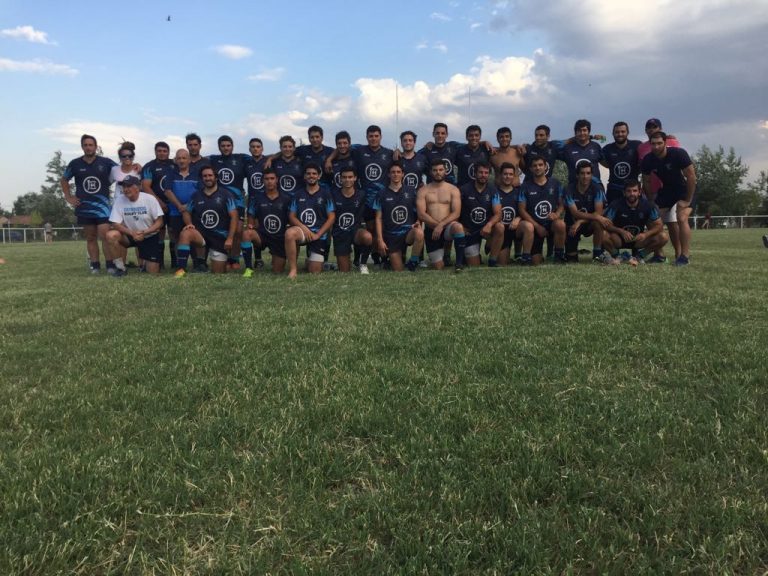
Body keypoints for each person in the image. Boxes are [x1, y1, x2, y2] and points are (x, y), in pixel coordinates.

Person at [61, 134, 118, 274]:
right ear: (82, 147)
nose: (88, 147)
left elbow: (122, 170)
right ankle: (95, 266)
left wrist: (135, 166)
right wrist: (68, 197)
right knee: (91, 237)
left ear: (96, 147)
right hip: (84, 207)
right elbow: (64, 180)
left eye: (91, 145)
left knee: (105, 236)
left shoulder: (106, 162)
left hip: (103, 207)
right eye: (85, 145)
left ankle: (110, 265)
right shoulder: (75, 164)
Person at [641, 131, 696, 265]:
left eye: (659, 143)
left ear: (665, 143)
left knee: (681, 218)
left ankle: (684, 256)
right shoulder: (648, 159)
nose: (656, 147)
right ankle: (659, 255)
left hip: (685, 189)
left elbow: (691, 177)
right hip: (667, 190)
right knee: (651, 217)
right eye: (653, 144)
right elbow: (646, 180)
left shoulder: (678, 154)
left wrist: (687, 200)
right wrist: (651, 200)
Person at [174, 165, 238, 276]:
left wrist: (230, 238)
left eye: (210, 175)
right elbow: (186, 212)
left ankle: (217, 262)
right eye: (205, 176)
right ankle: (182, 269)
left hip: (219, 237)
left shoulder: (226, 195)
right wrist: (189, 223)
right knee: (186, 233)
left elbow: (234, 217)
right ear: (201, 178)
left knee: (218, 272)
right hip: (201, 235)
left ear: (216, 177)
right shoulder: (196, 195)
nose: (208, 178)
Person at [637, 118, 681, 263]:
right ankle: (659, 254)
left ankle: (679, 254)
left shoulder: (672, 142)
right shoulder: (641, 147)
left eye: (655, 127)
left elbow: (679, 162)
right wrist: (647, 193)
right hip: (651, 191)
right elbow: (643, 171)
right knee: (653, 223)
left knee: (672, 222)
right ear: (645, 131)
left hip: (670, 190)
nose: (652, 130)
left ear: (660, 128)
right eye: (649, 127)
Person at [284, 163, 336, 278]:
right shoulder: (297, 194)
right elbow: (291, 216)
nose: (311, 176)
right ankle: (293, 269)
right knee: (289, 234)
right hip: (302, 232)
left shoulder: (326, 194)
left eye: (314, 173)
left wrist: (318, 234)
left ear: (319, 176)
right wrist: (304, 228)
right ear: (304, 176)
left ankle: (310, 260)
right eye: (308, 173)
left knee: (314, 271)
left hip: (318, 234)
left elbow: (331, 217)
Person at [105, 176, 164, 275]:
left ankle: (144, 263)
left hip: (149, 236)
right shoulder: (119, 200)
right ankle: (120, 268)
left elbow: (159, 222)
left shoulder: (150, 199)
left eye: (129, 186)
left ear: (138, 187)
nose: (126, 189)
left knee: (152, 272)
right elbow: (115, 223)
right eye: (124, 186)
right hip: (130, 235)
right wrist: (132, 233)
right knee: (111, 235)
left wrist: (144, 232)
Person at [416, 159, 466, 271]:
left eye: (440, 170)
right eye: (435, 170)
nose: (438, 172)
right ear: (430, 172)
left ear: (445, 171)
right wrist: (437, 226)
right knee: (438, 267)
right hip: (432, 230)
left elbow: (456, 213)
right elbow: (421, 214)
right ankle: (442, 257)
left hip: (447, 228)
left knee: (458, 227)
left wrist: (441, 225)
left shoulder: (453, 189)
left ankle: (459, 263)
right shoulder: (423, 191)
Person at [602, 180, 668, 265]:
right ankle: (618, 256)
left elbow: (659, 225)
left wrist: (645, 234)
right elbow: (606, 224)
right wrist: (621, 231)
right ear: (624, 192)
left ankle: (639, 256)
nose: (632, 194)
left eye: (635, 191)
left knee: (663, 236)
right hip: (619, 238)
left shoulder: (648, 205)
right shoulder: (615, 204)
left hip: (638, 239)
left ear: (639, 192)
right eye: (629, 191)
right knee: (602, 234)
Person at [373, 162, 423, 271]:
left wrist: (418, 221)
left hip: (407, 233)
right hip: (391, 236)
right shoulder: (381, 193)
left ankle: (413, 262)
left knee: (419, 233)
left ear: (403, 174)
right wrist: (380, 240)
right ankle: (389, 259)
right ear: (388, 174)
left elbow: (420, 212)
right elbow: (378, 218)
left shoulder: (411, 191)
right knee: (398, 270)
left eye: (398, 172)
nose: (396, 174)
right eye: (393, 172)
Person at [209, 135, 249, 269]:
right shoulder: (213, 159)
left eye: (228, 145)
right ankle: (224, 257)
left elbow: (262, 158)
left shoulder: (241, 158)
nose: (226, 148)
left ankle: (235, 259)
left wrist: (272, 157)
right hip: (220, 201)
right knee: (223, 229)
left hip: (238, 201)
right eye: (223, 146)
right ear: (219, 147)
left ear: (232, 146)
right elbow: (195, 159)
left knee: (238, 230)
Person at [517, 156, 566, 265]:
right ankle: (529, 257)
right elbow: (522, 210)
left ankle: (559, 256)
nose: (538, 168)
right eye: (534, 166)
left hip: (550, 224)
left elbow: (562, 203)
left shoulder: (555, 183)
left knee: (560, 224)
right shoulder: (525, 186)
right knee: (535, 261)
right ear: (531, 169)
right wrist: (537, 226)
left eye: (540, 165)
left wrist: (557, 214)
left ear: (545, 167)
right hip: (534, 225)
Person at [242, 168, 291, 275]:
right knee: (247, 234)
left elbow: (291, 218)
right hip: (262, 235)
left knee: (277, 271)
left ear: (277, 179)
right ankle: (248, 269)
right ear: (263, 181)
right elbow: (251, 215)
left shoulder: (287, 198)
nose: (269, 181)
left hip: (279, 237)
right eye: (266, 179)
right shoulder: (257, 198)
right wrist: (250, 225)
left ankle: (276, 257)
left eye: (272, 178)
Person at [563, 161, 611, 262]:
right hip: (573, 225)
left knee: (598, 222)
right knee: (571, 260)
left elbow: (598, 213)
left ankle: (597, 254)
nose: (585, 176)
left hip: (589, 223)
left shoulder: (597, 189)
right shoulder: (569, 189)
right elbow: (575, 213)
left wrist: (580, 221)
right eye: (582, 173)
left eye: (588, 173)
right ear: (577, 175)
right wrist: (594, 217)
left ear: (591, 175)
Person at [459, 161, 503, 267]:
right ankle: (469, 254)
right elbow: (455, 211)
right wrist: (461, 227)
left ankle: (492, 261)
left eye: (486, 173)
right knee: (474, 265)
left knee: (500, 227)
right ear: (475, 173)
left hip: (485, 229)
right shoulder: (464, 190)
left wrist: (489, 225)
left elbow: (498, 214)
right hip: (470, 231)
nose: (483, 175)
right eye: (480, 172)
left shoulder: (493, 190)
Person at [331, 167, 372, 273]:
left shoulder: (361, 194)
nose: (347, 179)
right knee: (344, 271)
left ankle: (362, 263)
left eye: (350, 177)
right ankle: (347, 260)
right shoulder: (333, 195)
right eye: (344, 177)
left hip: (355, 231)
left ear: (355, 178)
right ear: (340, 179)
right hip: (340, 233)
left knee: (367, 237)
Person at [163, 149, 199, 269]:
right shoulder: (171, 174)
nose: (181, 161)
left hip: (193, 211)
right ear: (175, 160)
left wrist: (188, 205)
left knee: (194, 237)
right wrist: (179, 206)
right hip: (175, 211)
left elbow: (201, 192)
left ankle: (197, 263)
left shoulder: (196, 174)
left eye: (184, 158)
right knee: (178, 238)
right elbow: (167, 191)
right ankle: (181, 265)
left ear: (189, 160)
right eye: (179, 158)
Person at [141, 141, 175, 267]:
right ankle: (159, 262)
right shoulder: (149, 166)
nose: (162, 153)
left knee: (173, 232)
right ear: (155, 152)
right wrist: (159, 203)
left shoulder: (174, 164)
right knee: (159, 232)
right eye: (159, 151)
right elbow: (145, 186)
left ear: (168, 152)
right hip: (156, 205)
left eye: (165, 151)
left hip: (173, 205)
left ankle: (175, 262)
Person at [600, 121, 642, 205]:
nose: (620, 134)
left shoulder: (637, 145)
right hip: (614, 188)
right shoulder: (607, 149)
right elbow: (602, 162)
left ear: (627, 132)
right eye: (617, 132)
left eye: (623, 131)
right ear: (613, 133)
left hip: (632, 190)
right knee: (611, 212)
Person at [556, 119, 604, 186]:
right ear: (575, 133)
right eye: (579, 130)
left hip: (595, 187)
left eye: (584, 130)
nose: (582, 133)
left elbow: (606, 163)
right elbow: (554, 146)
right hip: (574, 188)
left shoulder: (596, 146)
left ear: (589, 132)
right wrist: (591, 137)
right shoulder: (568, 148)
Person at [494, 162, 524, 265]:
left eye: (510, 174)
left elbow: (526, 210)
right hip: (501, 231)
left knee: (527, 226)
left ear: (514, 176)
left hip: (515, 229)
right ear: (500, 175)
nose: (508, 176)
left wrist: (518, 218)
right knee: (502, 262)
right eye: (505, 174)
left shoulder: (519, 192)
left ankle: (524, 256)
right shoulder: (494, 191)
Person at [245, 137, 267, 268]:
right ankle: (258, 259)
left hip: (269, 200)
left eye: (258, 146)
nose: (255, 149)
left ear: (262, 148)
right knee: (254, 228)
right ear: (249, 149)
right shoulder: (247, 163)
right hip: (253, 201)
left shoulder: (269, 161)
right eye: (253, 147)